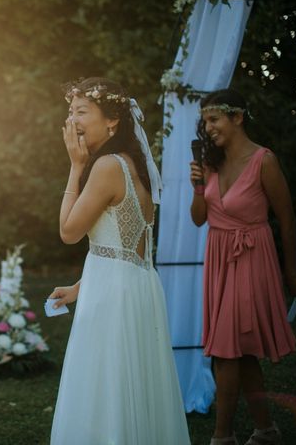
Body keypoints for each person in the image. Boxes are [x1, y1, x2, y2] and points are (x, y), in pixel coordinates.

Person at [48, 77, 190, 444]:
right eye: (70, 111)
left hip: (114, 298)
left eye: (81, 111)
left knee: (106, 390)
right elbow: (125, 248)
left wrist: (75, 166)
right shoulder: (133, 164)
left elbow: (69, 232)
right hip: (135, 288)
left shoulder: (107, 166)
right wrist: (80, 287)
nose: (72, 120)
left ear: (112, 121)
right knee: (130, 387)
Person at [189, 89, 296, 445]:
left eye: (214, 120)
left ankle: (221, 438)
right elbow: (198, 220)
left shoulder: (263, 161)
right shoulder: (212, 162)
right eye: (205, 121)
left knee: (226, 352)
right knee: (239, 350)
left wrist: (290, 273)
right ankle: (266, 430)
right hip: (219, 259)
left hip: (252, 257)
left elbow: (286, 222)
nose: (207, 128)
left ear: (237, 118)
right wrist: (197, 188)